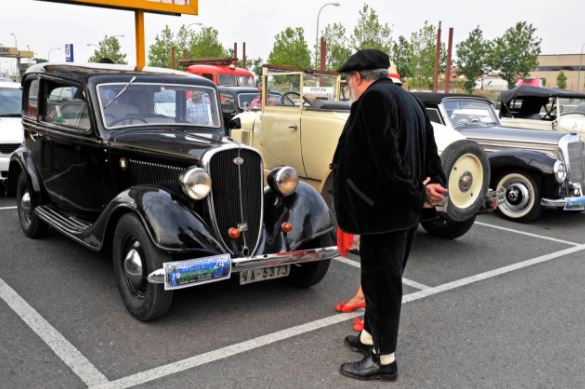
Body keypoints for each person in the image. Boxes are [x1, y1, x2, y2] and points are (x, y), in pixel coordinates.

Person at [332, 49, 448, 381]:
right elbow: (430, 151)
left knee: (383, 285)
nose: (350, 87)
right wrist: (434, 183)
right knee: (375, 279)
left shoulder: (373, 100)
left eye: (349, 81)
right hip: (397, 213)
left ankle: (384, 361)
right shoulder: (408, 99)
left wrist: (418, 194)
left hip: (383, 212)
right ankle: (370, 337)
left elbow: (387, 162)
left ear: (357, 77)